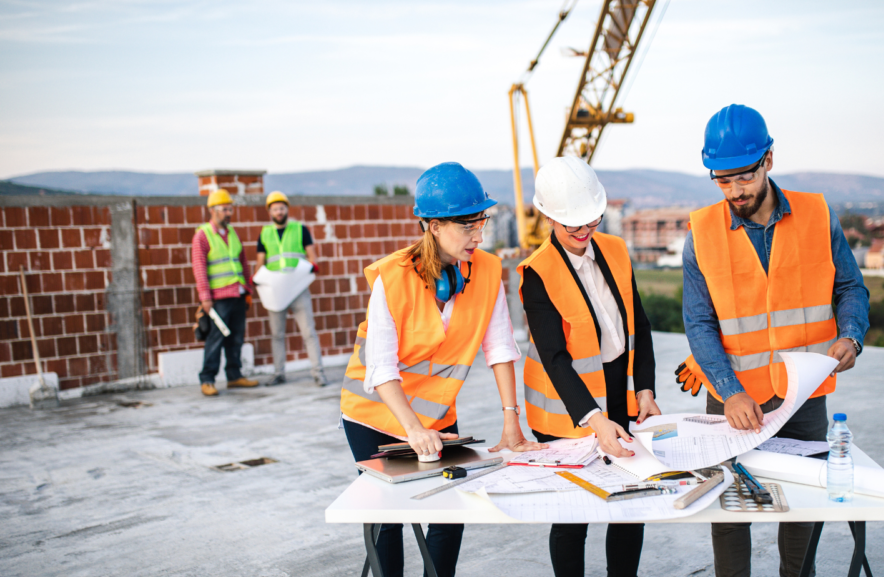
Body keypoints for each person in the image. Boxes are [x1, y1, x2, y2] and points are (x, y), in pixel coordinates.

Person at [676, 104, 870, 577]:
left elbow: (850, 287)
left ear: (768, 161)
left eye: (743, 177)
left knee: (803, 503)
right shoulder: (700, 233)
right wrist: (729, 388)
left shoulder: (817, 214)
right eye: (722, 181)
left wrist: (851, 335)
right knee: (730, 507)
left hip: (803, 394)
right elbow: (699, 323)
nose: (734, 191)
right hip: (733, 396)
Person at [339, 162, 547, 577]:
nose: (479, 235)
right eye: (467, 225)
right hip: (374, 415)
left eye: (481, 222)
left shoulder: (486, 270)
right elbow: (380, 368)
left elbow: (501, 346)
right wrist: (412, 429)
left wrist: (512, 422)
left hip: (438, 415)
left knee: (450, 511)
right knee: (390, 519)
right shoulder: (392, 278)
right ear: (432, 225)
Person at [518, 156, 661, 577]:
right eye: (572, 226)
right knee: (572, 513)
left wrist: (645, 390)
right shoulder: (536, 273)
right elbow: (556, 359)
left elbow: (640, 324)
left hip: (618, 391)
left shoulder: (615, 250)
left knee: (630, 501)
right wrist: (593, 419)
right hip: (567, 407)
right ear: (548, 217)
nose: (583, 233)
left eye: (591, 221)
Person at [190, 189, 259, 396]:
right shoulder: (203, 235)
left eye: (230, 209)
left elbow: (243, 262)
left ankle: (234, 376)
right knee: (215, 339)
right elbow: (199, 268)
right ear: (212, 210)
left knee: (236, 338)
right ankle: (207, 379)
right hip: (218, 299)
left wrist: (247, 290)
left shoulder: (233, 233)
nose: (229, 213)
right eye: (224, 209)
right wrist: (205, 298)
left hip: (237, 294)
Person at [254, 191, 327, 387]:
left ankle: (318, 373)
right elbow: (260, 262)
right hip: (276, 291)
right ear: (270, 211)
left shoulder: (300, 229)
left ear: (287, 209)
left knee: (308, 332)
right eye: (275, 208)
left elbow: (312, 257)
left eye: (282, 208)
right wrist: (258, 280)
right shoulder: (265, 233)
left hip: (297, 288)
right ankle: (279, 373)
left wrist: (313, 266)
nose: (279, 211)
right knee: (277, 334)